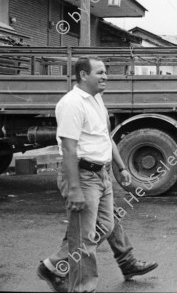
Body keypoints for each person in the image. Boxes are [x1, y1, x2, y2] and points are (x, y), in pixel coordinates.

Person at [36, 57, 156, 292]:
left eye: (105, 72)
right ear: (83, 75)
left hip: (102, 174)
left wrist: (121, 167)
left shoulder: (96, 99)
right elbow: (69, 148)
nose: (105, 76)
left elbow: (105, 136)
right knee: (84, 238)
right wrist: (74, 189)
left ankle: (51, 267)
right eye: (100, 72)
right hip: (82, 176)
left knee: (105, 227)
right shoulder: (71, 104)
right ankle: (83, 287)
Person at [38, 214, 158, 292]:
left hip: (97, 177)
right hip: (85, 179)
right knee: (100, 221)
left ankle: (127, 262)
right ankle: (57, 265)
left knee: (106, 216)